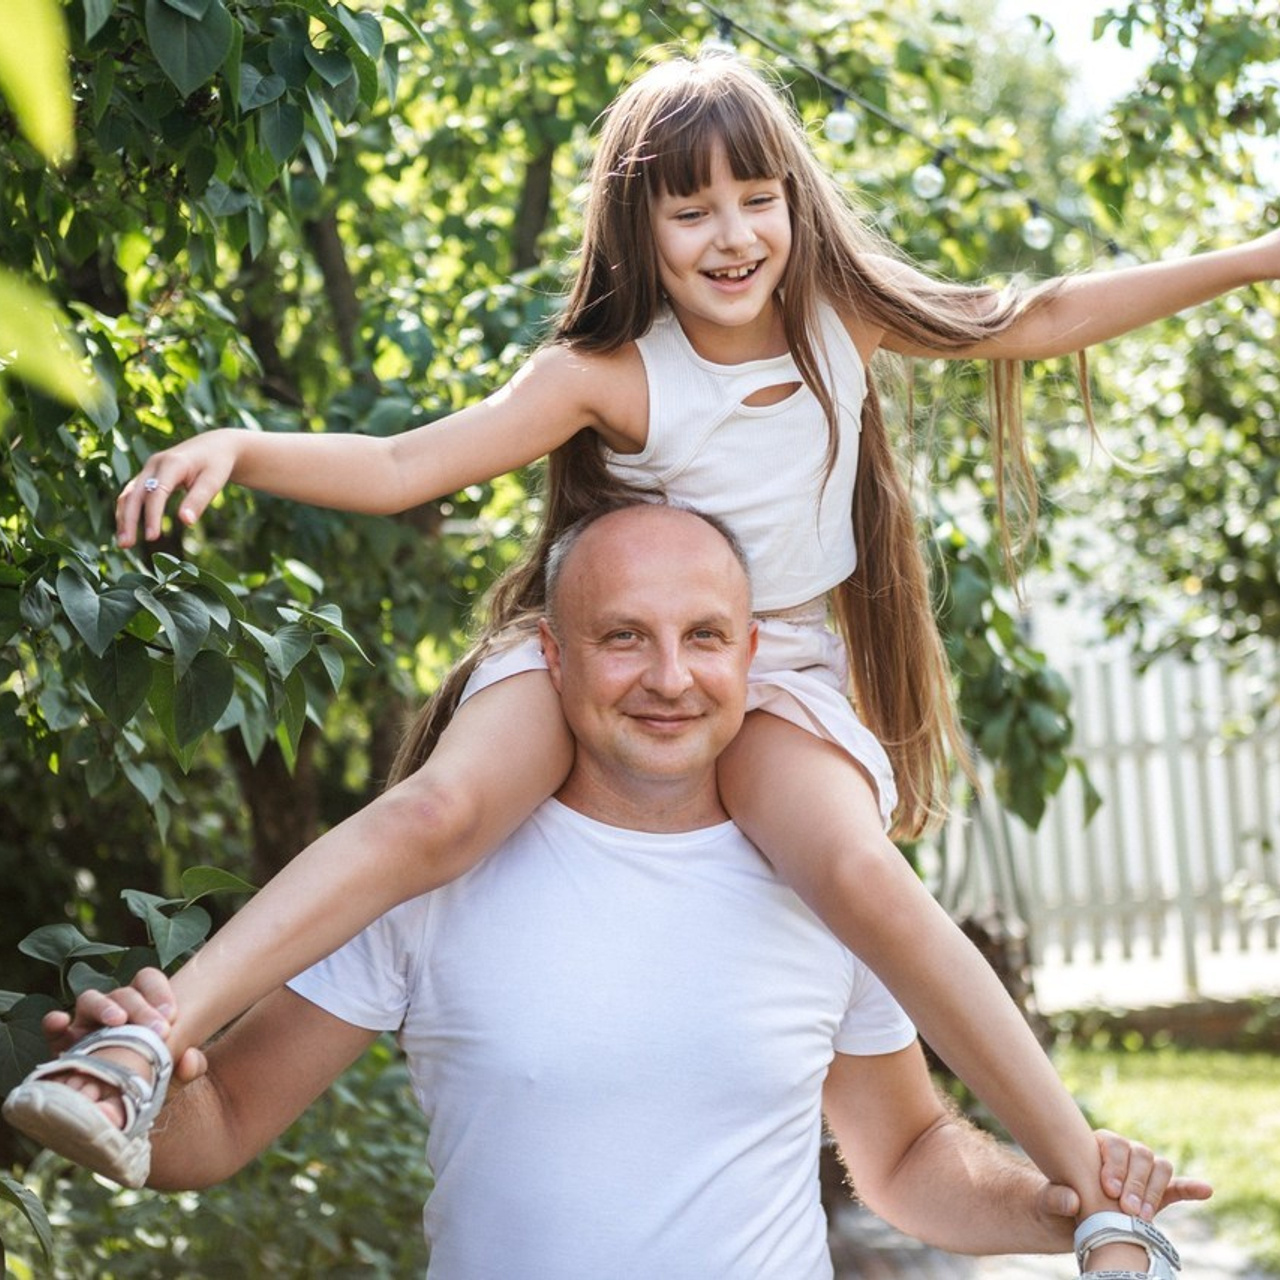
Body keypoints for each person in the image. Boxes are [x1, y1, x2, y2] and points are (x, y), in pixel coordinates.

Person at [5, 49, 1267, 1268]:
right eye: (690, 208)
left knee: (857, 874)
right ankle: (146, 1042)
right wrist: (241, 446)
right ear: (636, 227)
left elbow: (1038, 316)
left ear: (794, 203)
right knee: (438, 810)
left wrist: (1259, 255)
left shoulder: (843, 319)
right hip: (612, 642)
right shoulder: (606, 374)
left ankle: (1099, 1202)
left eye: (756, 198)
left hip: (777, 666)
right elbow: (403, 464)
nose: (732, 235)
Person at [31, 505, 1205, 1277]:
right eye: (624, 637)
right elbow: (225, 1120)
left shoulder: (823, 882)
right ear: (549, 654)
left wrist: (1053, 1202)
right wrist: (146, 1087)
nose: (669, 677)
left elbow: (901, 1155)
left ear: (752, 654)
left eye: (704, 636)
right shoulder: (428, 881)